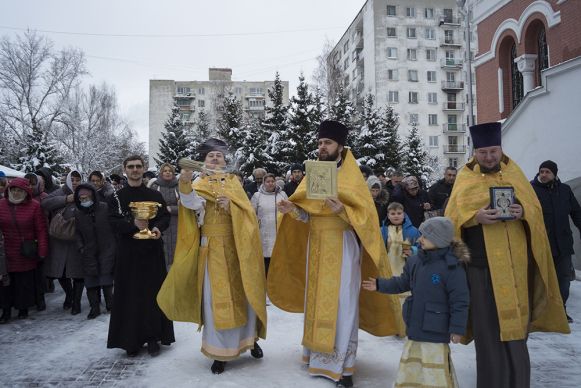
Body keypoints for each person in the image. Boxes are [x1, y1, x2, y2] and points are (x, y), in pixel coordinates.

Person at [269, 120, 400, 388]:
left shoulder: (353, 178)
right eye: (319, 143)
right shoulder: (314, 173)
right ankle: (316, 355)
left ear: (340, 145)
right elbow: (307, 214)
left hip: (343, 245)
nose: (322, 147)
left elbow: (366, 219)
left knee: (344, 303)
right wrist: (291, 210)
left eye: (327, 142)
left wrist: (343, 210)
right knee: (316, 301)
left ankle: (344, 365)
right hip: (316, 245)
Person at [445, 122, 570, 388]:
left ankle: (517, 382)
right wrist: (473, 217)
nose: (489, 157)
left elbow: (535, 213)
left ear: (501, 149)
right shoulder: (464, 178)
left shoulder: (516, 174)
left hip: (516, 266)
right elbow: (451, 219)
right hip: (480, 267)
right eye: (483, 152)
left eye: (493, 151)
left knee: (516, 328)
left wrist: (523, 212)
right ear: (475, 152)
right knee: (488, 330)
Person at [157, 138, 267, 374]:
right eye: (210, 156)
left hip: (237, 247)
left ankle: (250, 340)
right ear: (203, 161)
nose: (215, 158)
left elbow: (248, 215)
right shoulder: (198, 183)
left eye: (219, 155)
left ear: (225, 160)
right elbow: (191, 204)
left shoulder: (234, 183)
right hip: (211, 249)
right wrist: (185, 183)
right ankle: (219, 352)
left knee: (244, 295)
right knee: (214, 301)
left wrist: (233, 208)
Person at [362, 217, 470, 387]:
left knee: (433, 368)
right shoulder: (415, 261)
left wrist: (457, 329)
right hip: (415, 324)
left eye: (424, 236)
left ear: (438, 240)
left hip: (436, 329)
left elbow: (460, 301)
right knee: (414, 366)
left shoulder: (452, 267)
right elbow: (402, 282)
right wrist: (379, 284)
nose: (419, 239)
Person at [107, 155, 174, 357]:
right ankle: (131, 340)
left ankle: (153, 337)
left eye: (138, 166)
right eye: (131, 167)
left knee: (153, 294)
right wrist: (132, 226)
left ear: (144, 169)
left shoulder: (154, 195)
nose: (135, 170)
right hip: (128, 252)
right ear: (125, 169)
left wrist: (158, 229)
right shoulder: (116, 198)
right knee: (130, 295)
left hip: (152, 251)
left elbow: (164, 217)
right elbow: (112, 222)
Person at [531, 160, 581, 323]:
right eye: (541, 171)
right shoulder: (530, 189)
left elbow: (576, 213)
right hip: (541, 244)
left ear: (555, 174)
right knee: (540, 280)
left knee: (564, 281)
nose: (544, 175)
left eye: (547, 172)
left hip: (563, 245)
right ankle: (537, 312)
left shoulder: (565, 190)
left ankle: (560, 311)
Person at [0, 178, 49, 323]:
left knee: (23, 283)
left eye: (19, 190)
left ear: (26, 192)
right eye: (13, 190)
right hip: (5, 251)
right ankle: (6, 311)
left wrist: (42, 250)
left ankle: (23, 309)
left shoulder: (34, 206)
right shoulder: (1, 205)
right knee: (5, 284)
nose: (16, 193)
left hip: (25, 251)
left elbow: (41, 230)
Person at [42, 170, 85, 315]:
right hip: (59, 240)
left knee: (78, 273)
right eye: (72, 179)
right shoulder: (60, 192)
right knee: (61, 273)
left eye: (77, 179)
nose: (74, 182)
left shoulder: (85, 191)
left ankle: (76, 303)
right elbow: (45, 203)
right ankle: (70, 295)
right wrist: (66, 199)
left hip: (77, 239)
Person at [74, 184, 115, 319]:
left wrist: (113, 245)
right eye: (81, 197)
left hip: (106, 248)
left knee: (106, 278)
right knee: (91, 282)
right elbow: (77, 232)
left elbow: (113, 226)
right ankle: (94, 307)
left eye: (86, 196)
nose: (83, 199)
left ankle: (111, 304)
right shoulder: (79, 213)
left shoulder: (104, 208)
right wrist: (81, 247)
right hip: (88, 250)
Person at [251, 173, 288, 276]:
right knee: (266, 260)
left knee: (279, 259)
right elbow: (252, 213)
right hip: (264, 232)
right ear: (264, 183)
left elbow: (288, 211)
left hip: (279, 231)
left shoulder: (282, 195)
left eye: (272, 181)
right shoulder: (257, 196)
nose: (270, 183)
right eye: (268, 181)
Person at [148, 163, 179, 268]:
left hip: (177, 224)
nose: (167, 172)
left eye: (170, 171)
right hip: (160, 223)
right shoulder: (155, 186)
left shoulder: (179, 186)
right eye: (165, 171)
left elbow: (186, 205)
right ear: (161, 173)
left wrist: (172, 209)